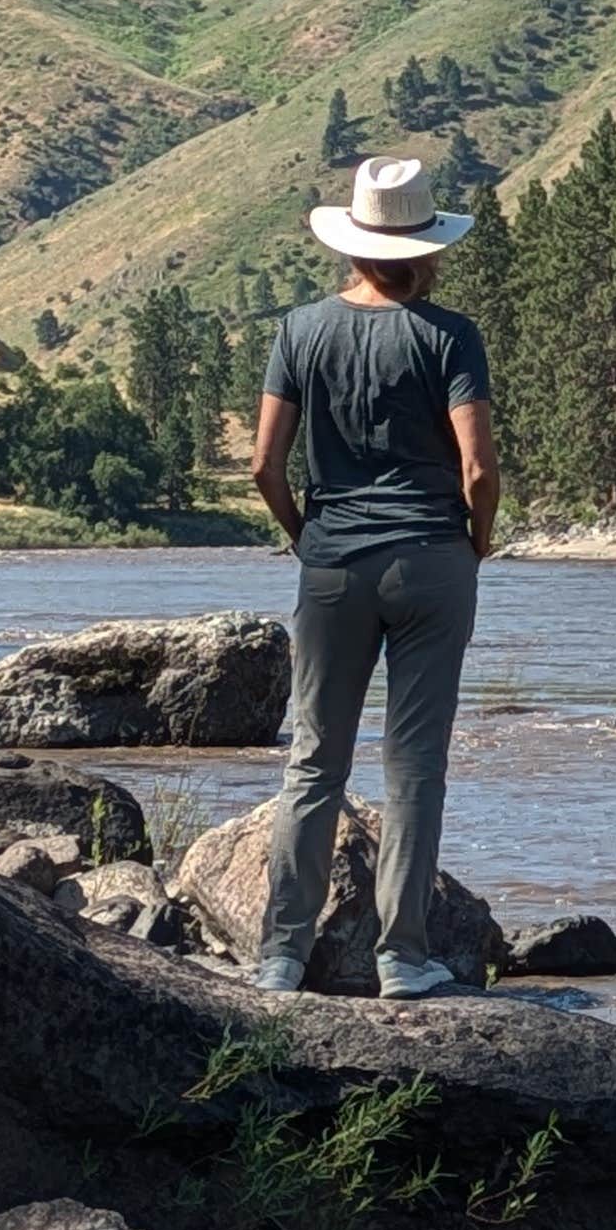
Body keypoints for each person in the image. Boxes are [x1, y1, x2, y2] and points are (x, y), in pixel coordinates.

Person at [248, 154, 500, 997]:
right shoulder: (449, 335)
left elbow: (263, 467)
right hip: (432, 558)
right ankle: (403, 959)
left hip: (331, 562)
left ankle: (281, 957)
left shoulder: (300, 332)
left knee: (314, 761)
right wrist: (478, 541)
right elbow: (477, 471)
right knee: (414, 764)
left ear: (352, 244)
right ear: (425, 248)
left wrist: (304, 537)